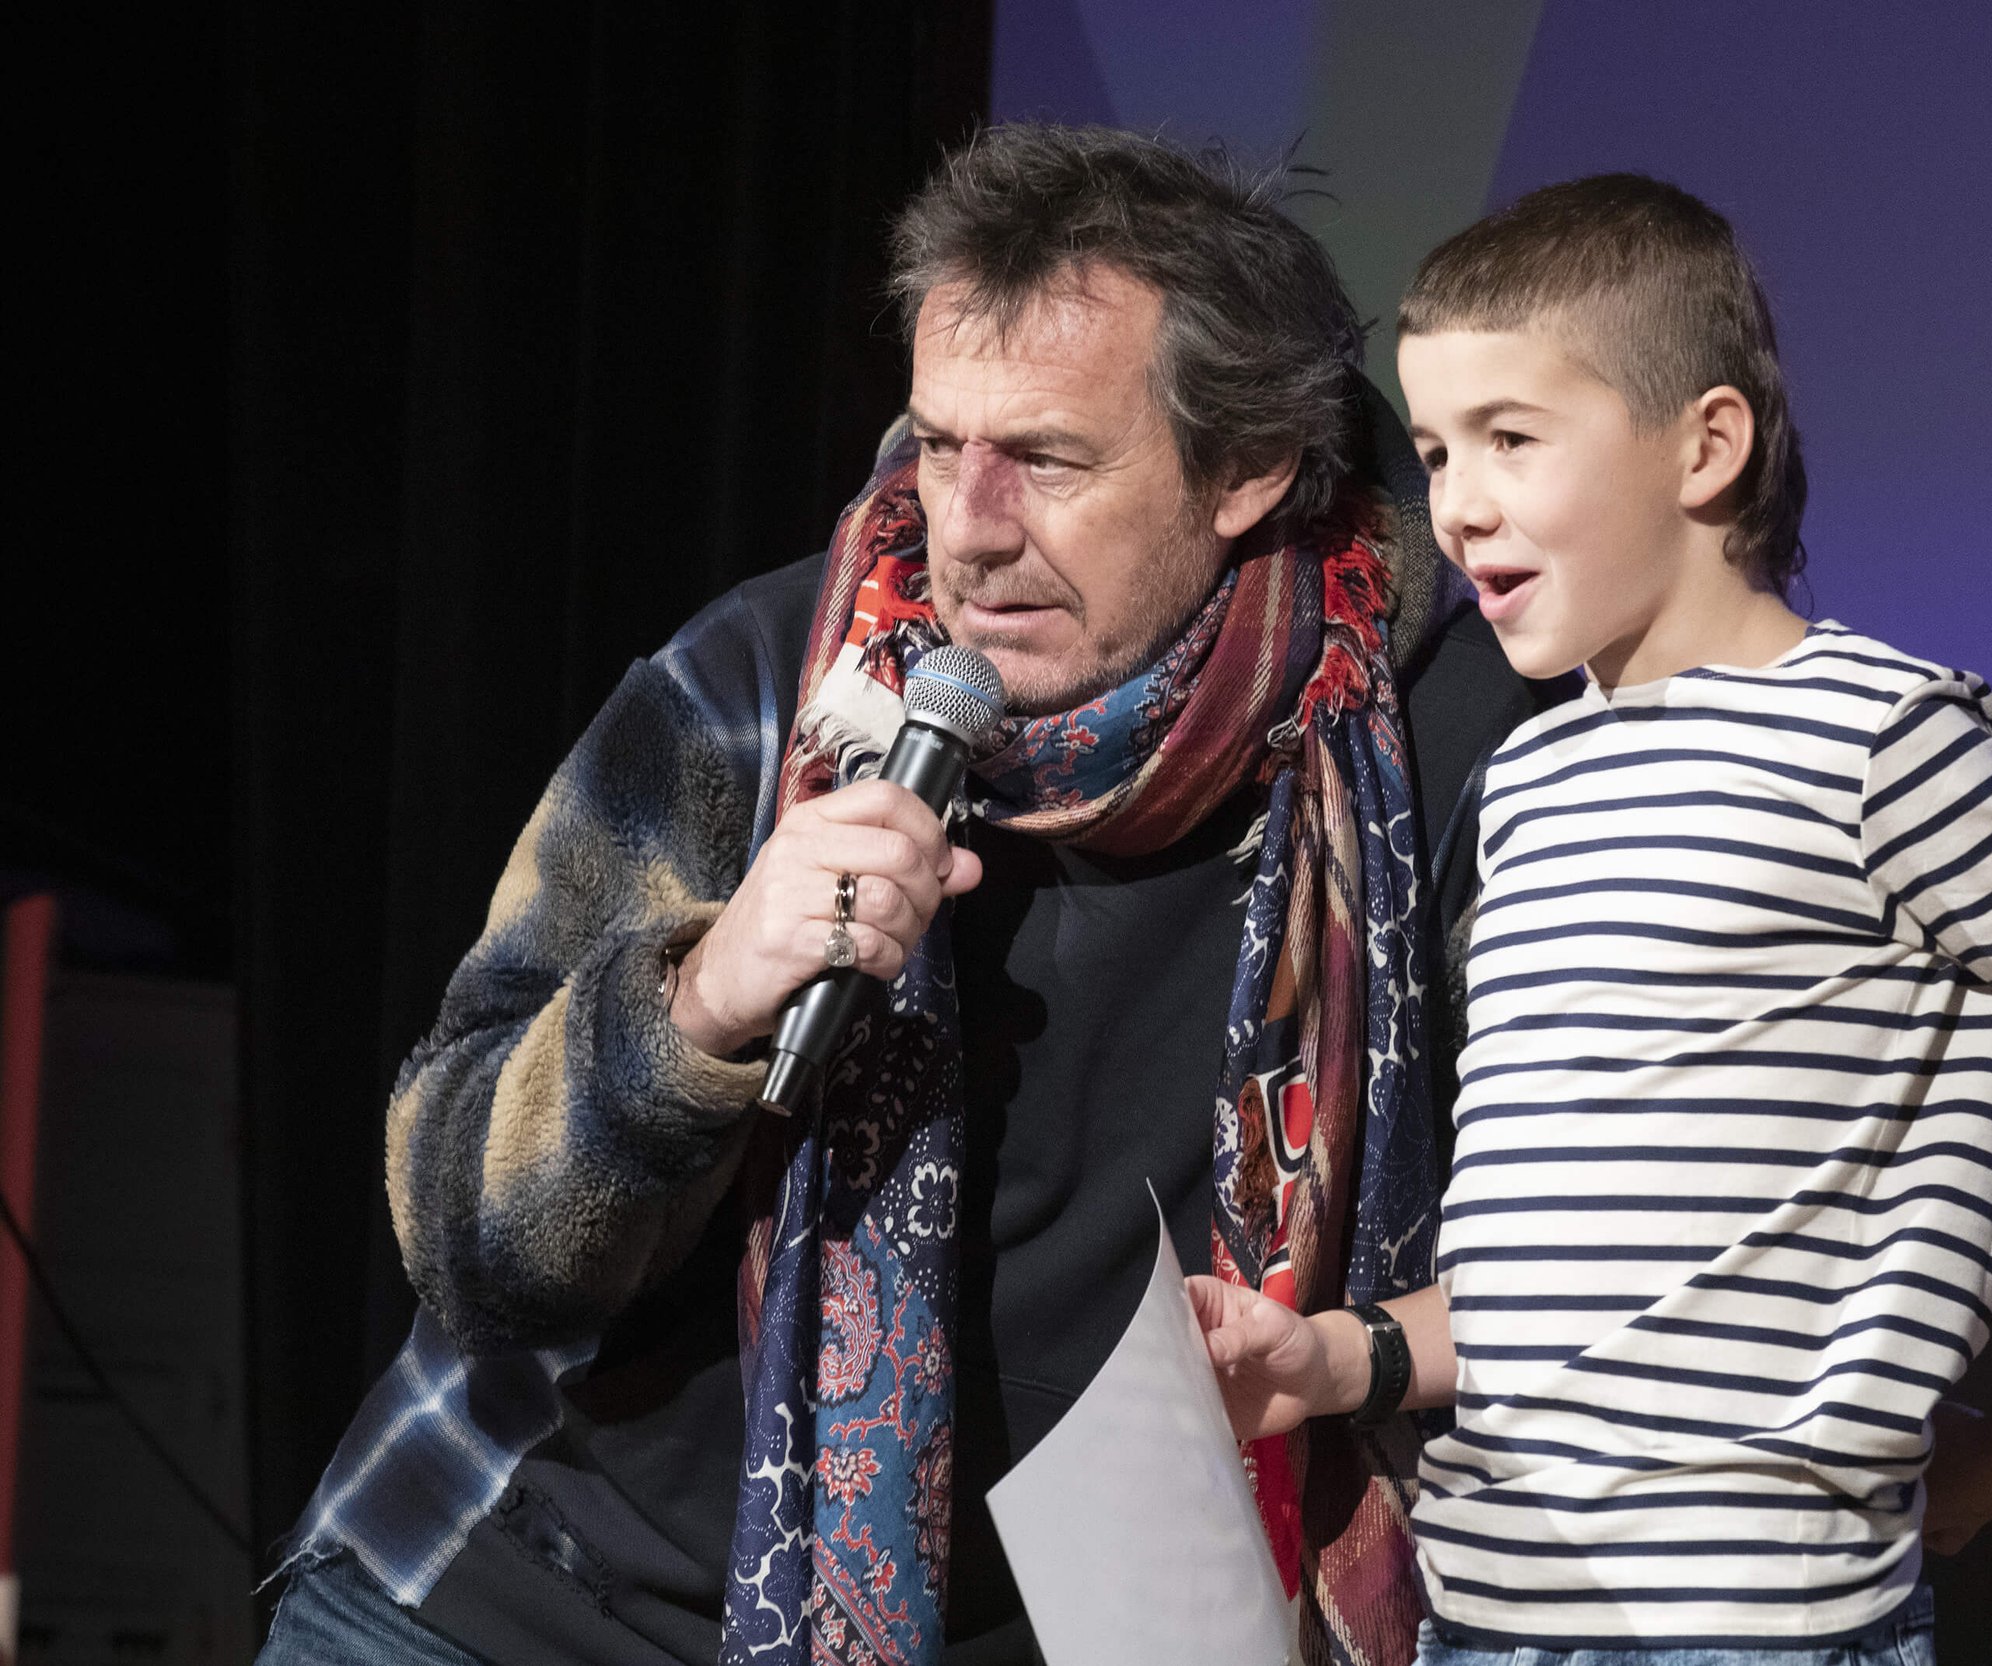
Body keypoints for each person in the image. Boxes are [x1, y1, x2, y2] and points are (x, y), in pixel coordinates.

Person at [260, 124, 1553, 1666]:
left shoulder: (1446, 755)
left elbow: (1601, 1255)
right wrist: (700, 1005)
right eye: (941, 445)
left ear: (1247, 468)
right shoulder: (761, 683)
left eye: (1052, 460)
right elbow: (465, 1239)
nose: (971, 526)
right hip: (529, 1593)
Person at [1188, 174, 1992, 1664]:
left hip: (1756, 1630)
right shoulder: (1528, 776)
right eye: (1435, 448)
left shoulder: (1877, 744)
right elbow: (1580, 1270)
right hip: (1482, 1614)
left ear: (1705, 445)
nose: (1457, 502)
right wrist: (1338, 1353)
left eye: (1513, 439)